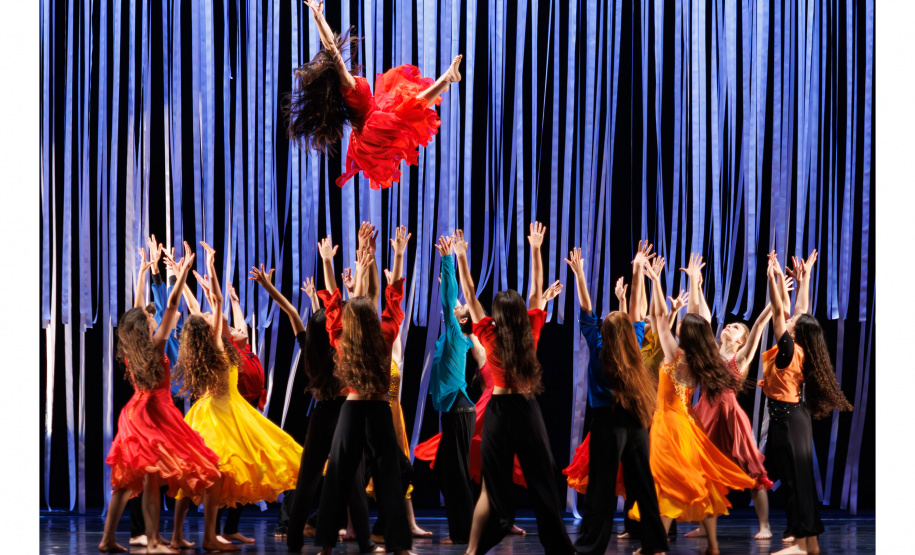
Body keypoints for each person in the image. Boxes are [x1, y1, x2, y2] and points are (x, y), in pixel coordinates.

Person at [169, 242, 302, 552]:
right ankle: (207, 535)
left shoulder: (222, 345)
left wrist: (184, 278)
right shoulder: (216, 345)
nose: (222, 317)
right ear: (214, 327)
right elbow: (213, 301)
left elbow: (196, 309)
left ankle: (192, 535)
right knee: (213, 472)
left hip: (222, 411)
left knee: (202, 476)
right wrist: (211, 268)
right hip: (219, 416)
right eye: (216, 317)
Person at [459, 223, 575, 555]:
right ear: (519, 312)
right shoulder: (530, 330)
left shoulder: (487, 332)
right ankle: (557, 546)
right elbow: (537, 287)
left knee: (492, 490)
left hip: (498, 411)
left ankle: (471, 551)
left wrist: (463, 256)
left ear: (496, 313)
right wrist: (536, 248)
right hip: (525, 409)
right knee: (542, 482)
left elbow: (469, 290)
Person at [98, 252, 220, 554]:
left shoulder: (133, 347)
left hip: (135, 412)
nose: (152, 315)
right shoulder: (155, 344)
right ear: (145, 326)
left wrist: (141, 274)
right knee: (146, 480)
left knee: (129, 483)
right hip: (153, 413)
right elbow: (171, 305)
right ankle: (151, 542)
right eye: (149, 318)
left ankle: (110, 539)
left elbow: (138, 309)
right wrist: (179, 277)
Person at [634, 256, 756, 555]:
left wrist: (655, 281)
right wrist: (693, 282)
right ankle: (712, 545)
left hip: (668, 427)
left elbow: (659, 317)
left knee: (665, 483)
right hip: (690, 426)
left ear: (684, 334)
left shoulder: (674, 354)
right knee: (699, 483)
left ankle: (656, 545)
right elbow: (704, 320)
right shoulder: (706, 359)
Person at [313, 226, 416, 555]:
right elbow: (393, 295)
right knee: (362, 478)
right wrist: (398, 256)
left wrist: (330, 264)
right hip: (369, 410)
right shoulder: (383, 331)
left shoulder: (346, 335)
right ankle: (332, 544)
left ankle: (389, 544)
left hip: (361, 411)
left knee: (362, 477)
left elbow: (333, 302)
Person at [284, 0, 462, 190]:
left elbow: (332, 46)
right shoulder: (347, 84)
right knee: (407, 110)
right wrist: (318, 18)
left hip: (375, 113)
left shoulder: (346, 86)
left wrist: (320, 18)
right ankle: (447, 79)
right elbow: (332, 48)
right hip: (372, 125)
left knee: (402, 91)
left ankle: (441, 86)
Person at [563, 245, 669, 555]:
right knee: (643, 485)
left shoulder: (598, 348)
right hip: (635, 422)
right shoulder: (634, 345)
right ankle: (655, 544)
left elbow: (586, 310)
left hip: (607, 424)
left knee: (601, 488)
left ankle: (591, 545)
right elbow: (635, 309)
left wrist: (580, 274)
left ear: (607, 332)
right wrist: (637, 271)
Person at [679, 252, 785, 541]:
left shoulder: (741, 357)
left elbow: (762, 323)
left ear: (740, 340)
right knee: (703, 470)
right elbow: (701, 318)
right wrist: (696, 283)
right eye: (729, 325)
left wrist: (772, 282)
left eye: (736, 327)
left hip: (729, 415)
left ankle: (765, 525)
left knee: (753, 470)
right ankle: (705, 524)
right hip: (705, 415)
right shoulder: (710, 352)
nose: (729, 326)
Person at [762, 251, 852, 555]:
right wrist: (805, 280)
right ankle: (809, 543)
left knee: (797, 481)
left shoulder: (787, 348)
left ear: (794, 331)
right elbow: (800, 312)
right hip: (791, 418)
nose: (791, 317)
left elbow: (778, 311)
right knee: (795, 480)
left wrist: (774, 278)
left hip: (788, 420)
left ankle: (801, 545)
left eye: (793, 322)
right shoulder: (799, 344)